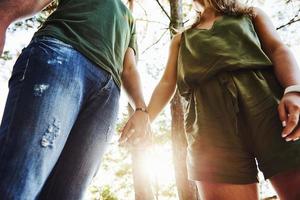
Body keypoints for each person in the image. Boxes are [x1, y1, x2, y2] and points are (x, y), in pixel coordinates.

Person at [120, 0, 300, 199]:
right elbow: (166, 84)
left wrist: (294, 90)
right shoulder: (181, 39)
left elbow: (278, 49)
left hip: (267, 108)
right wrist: (145, 116)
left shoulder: (251, 15)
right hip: (208, 126)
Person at [0, 0, 150, 199]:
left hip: (107, 94)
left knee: (68, 193)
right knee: (21, 175)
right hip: (61, 55)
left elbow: (129, 68)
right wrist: (4, 16)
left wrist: (141, 109)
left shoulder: (128, 18)